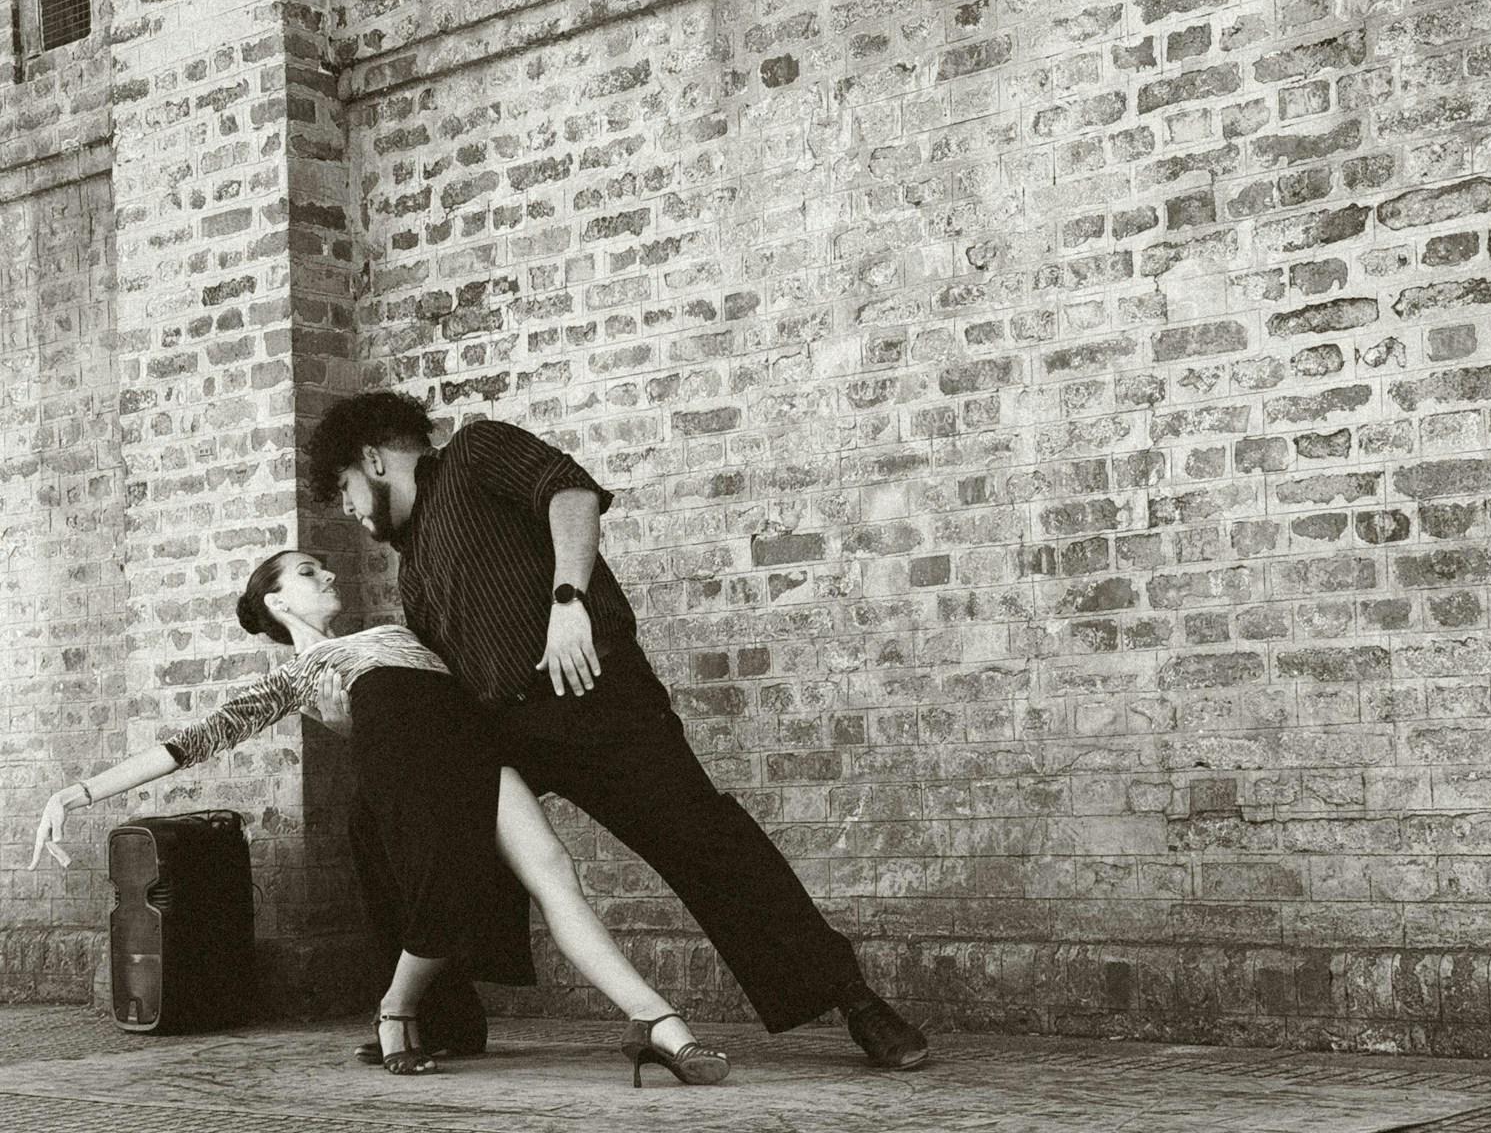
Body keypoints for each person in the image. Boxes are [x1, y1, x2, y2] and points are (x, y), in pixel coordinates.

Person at [306, 392, 930, 1070]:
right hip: (497, 727)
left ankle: (856, 1002)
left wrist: (567, 601)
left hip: (590, 695)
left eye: (344, 490)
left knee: (704, 840)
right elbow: (432, 688)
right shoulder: (416, 564)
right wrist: (359, 726)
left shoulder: (475, 453)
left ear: (373, 458)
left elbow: (567, 490)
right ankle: (444, 1018)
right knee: (380, 816)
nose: (350, 511)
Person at [31, 550, 729, 1086]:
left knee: (557, 876)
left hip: (475, 756)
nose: (328, 575)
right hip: (410, 783)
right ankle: (397, 1011)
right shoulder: (297, 678)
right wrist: (76, 794)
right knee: (443, 904)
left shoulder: (395, 629)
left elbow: (456, 691)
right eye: (308, 573)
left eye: (325, 566)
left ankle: (659, 1026)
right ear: (277, 601)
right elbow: (187, 745)